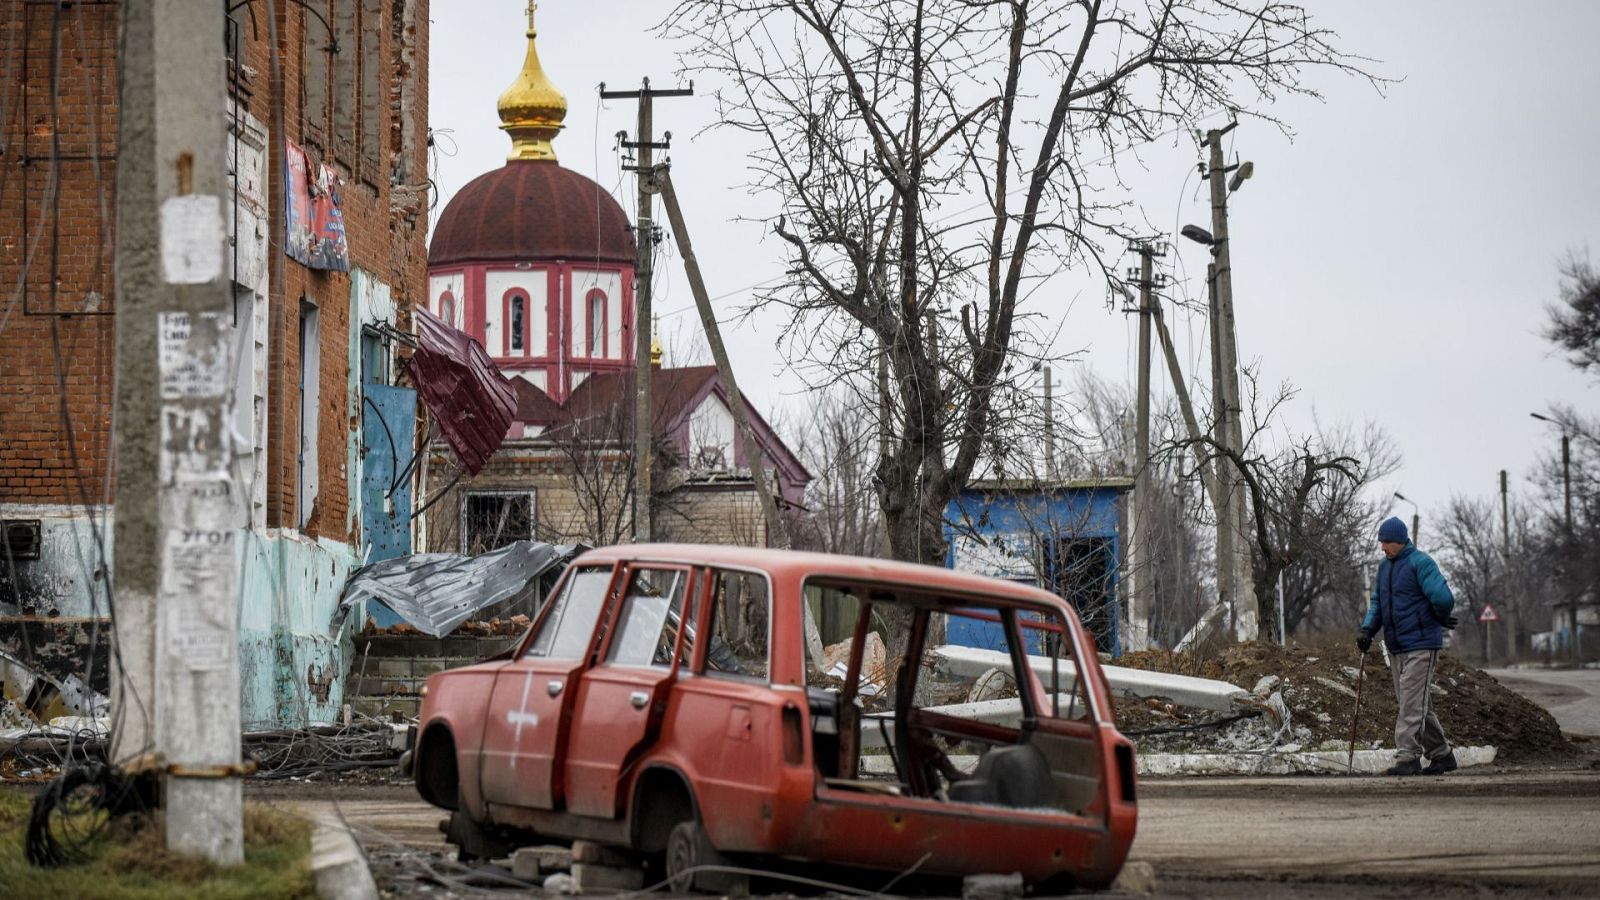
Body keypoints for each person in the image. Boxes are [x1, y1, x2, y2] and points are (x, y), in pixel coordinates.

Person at [1357, 516, 1460, 776]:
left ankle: (1408, 757)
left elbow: (1443, 598)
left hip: (1422, 644)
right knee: (1413, 702)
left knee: (1411, 705)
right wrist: (1368, 629)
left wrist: (1438, 616)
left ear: (1401, 541)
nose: (1383, 547)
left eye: (1387, 542)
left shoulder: (1420, 563)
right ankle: (1442, 755)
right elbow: (1378, 603)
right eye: (1381, 542)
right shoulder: (1384, 567)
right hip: (1396, 646)